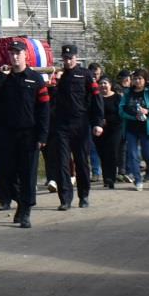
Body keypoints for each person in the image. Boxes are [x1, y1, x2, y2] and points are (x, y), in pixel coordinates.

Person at [0, 40, 50, 229]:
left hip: (28, 134)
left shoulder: (35, 79)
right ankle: (19, 201)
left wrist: (43, 136)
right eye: (12, 54)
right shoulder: (2, 77)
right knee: (7, 174)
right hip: (5, 135)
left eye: (18, 53)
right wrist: (1, 78)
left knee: (27, 174)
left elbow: (44, 109)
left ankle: (26, 210)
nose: (15, 56)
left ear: (25, 55)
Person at [49, 44, 103, 209]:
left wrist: (98, 122)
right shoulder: (59, 76)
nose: (68, 61)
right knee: (62, 163)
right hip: (61, 125)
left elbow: (96, 99)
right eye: (65, 58)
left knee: (81, 161)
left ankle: (84, 195)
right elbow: (50, 99)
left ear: (76, 57)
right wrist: (54, 82)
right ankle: (65, 199)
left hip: (80, 123)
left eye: (70, 58)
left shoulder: (86, 75)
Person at [119, 70, 149, 191]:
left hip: (147, 128)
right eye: (135, 79)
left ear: (145, 80)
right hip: (131, 128)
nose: (137, 81)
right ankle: (138, 180)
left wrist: (148, 112)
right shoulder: (128, 93)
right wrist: (133, 116)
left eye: (140, 79)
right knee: (132, 154)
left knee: (147, 153)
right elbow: (121, 110)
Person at [94, 77, 121, 189]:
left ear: (110, 85)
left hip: (114, 129)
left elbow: (120, 113)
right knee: (102, 154)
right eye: (101, 83)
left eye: (105, 83)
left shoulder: (117, 97)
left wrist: (108, 120)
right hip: (99, 130)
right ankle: (106, 178)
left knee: (112, 153)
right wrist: (99, 122)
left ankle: (111, 177)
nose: (103, 85)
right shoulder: (96, 97)